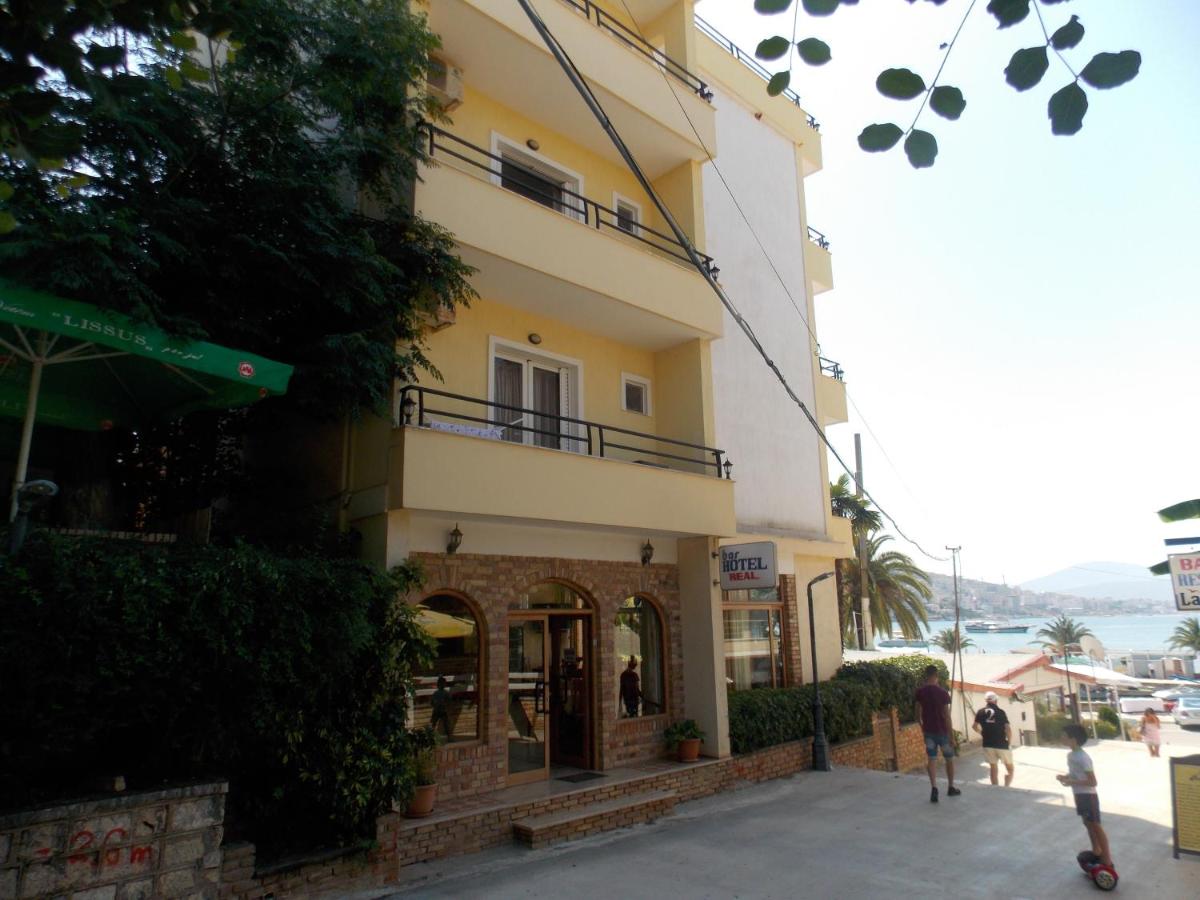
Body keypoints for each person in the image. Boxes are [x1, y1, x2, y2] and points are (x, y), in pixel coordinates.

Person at [1057, 723, 1113, 869]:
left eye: (1064, 736)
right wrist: (1066, 777)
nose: (1061, 738)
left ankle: (1107, 859)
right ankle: (1096, 850)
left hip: (1088, 796)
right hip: (1079, 795)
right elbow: (1076, 774)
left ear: (1073, 740)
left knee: (1096, 825)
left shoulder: (1083, 757)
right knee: (1087, 823)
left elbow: (1092, 781)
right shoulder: (1071, 755)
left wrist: (1072, 781)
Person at [915, 664, 960, 802]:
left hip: (929, 732)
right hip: (943, 732)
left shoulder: (920, 692)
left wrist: (923, 729)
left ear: (926, 675)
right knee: (949, 759)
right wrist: (952, 736)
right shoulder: (943, 693)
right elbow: (947, 716)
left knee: (931, 759)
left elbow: (917, 715)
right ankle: (951, 787)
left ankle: (934, 788)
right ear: (936, 676)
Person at [972, 691, 1014, 786]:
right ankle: (1006, 786)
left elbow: (974, 726)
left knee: (993, 768)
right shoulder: (1001, 712)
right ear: (996, 700)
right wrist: (1009, 742)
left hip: (987, 744)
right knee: (1010, 768)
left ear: (986, 701)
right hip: (1002, 744)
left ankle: (995, 788)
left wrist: (982, 733)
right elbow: (1008, 729)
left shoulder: (980, 712)